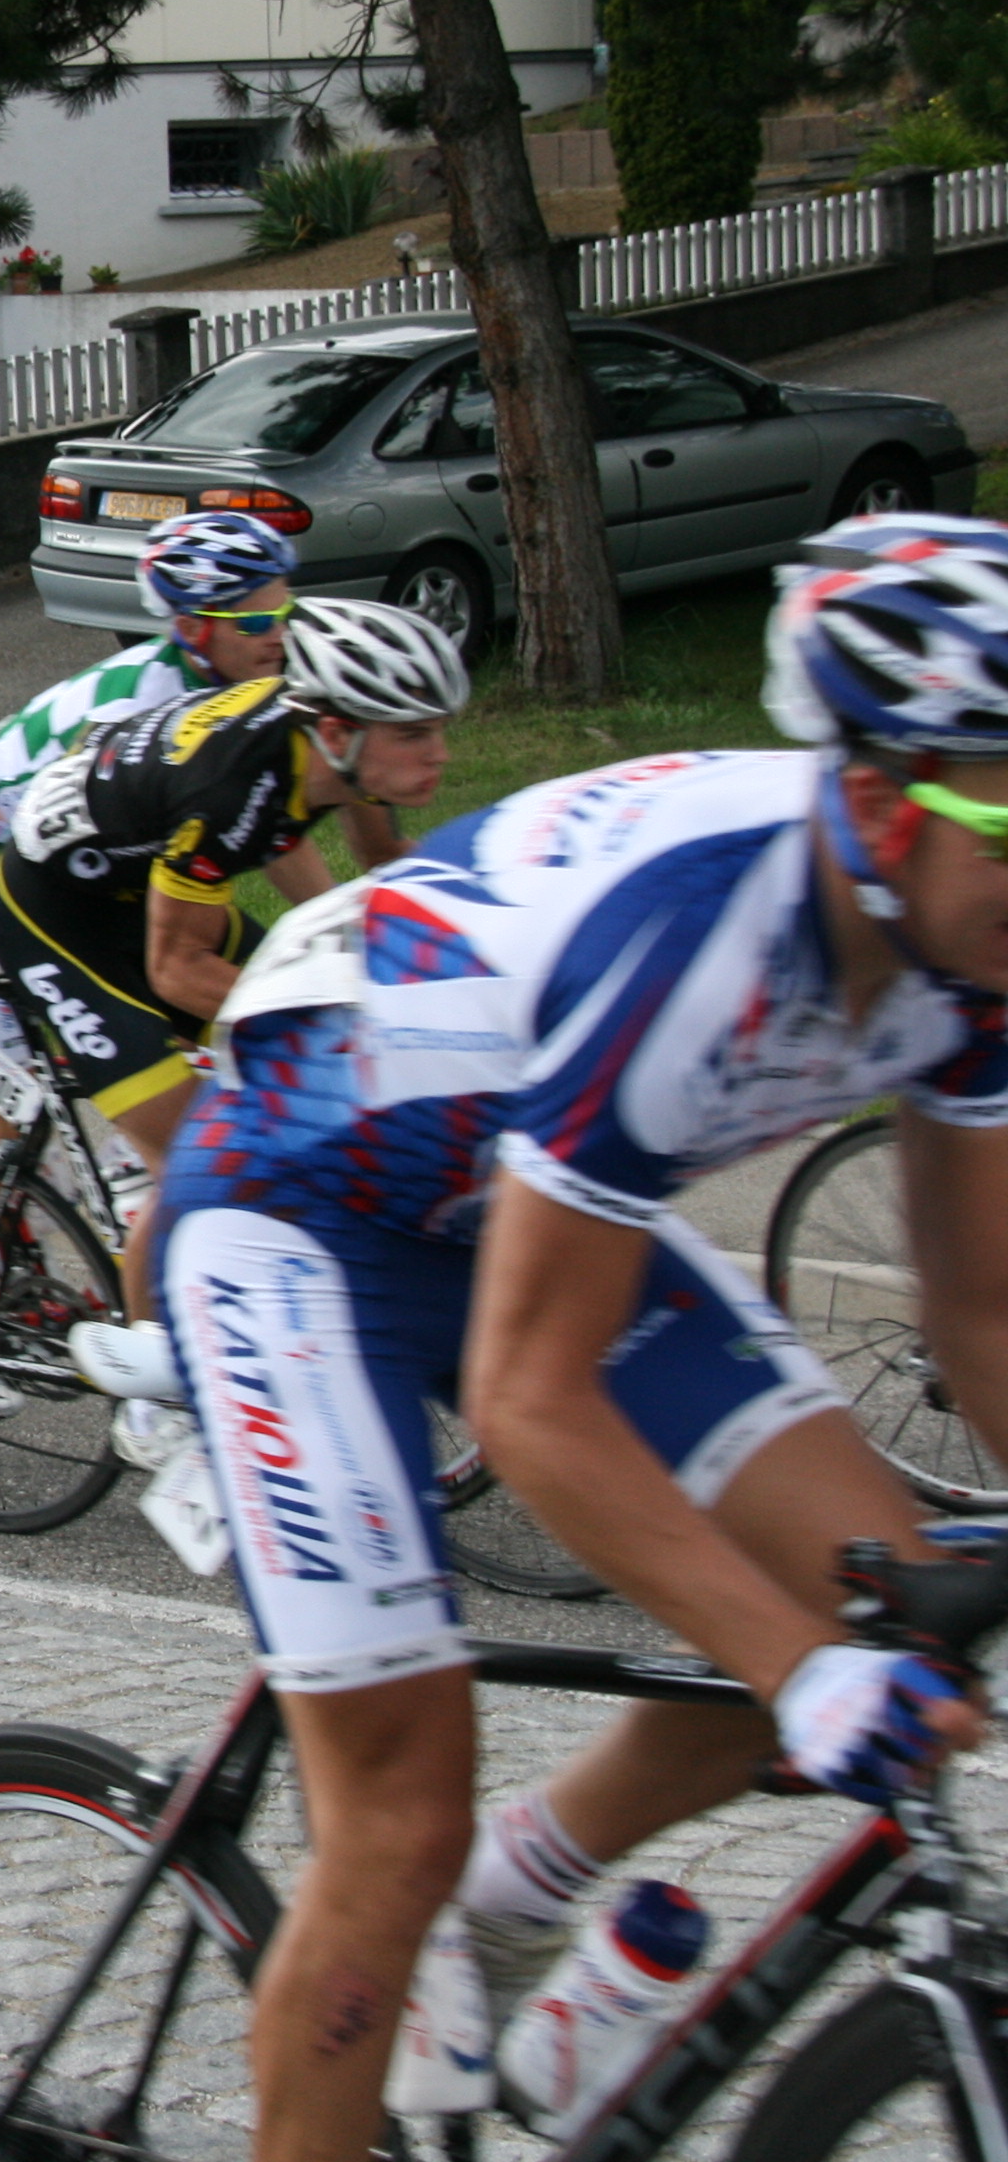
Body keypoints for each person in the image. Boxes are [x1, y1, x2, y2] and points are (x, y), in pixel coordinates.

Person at [160, 522, 1008, 2162]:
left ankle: (519, 1895)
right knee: (393, 1822)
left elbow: (976, 1311)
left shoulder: (967, 948)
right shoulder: (710, 934)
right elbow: (525, 1399)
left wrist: (827, 1644)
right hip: (288, 1215)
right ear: (889, 801)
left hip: (504, 1199)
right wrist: (790, 1671)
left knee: (875, 1587)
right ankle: (431, 1918)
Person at [0, 595, 456, 1422]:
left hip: (146, 883)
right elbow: (176, 972)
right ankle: (151, 1392)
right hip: (56, 919)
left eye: (438, 727)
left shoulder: (335, 740)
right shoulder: (235, 787)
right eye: (414, 734)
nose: (438, 752)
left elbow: (383, 867)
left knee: (323, 1038)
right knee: (197, 1143)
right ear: (339, 732)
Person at [0, 510, 303, 1340]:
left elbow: (271, 831)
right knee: (6, 1115)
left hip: (64, 872)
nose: (280, 636)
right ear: (194, 629)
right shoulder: (148, 704)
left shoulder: (237, 698)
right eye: (259, 620)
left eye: (286, 612)